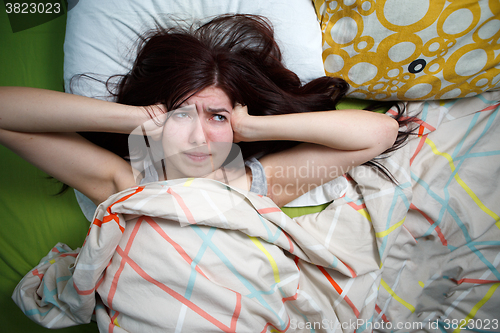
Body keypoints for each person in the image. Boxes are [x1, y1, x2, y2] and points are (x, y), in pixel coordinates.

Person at [0, 14, 404, 210]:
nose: (198, 136)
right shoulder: (126, 183)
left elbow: (380, 132)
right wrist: (133, 119)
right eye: (181, 115)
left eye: (217, 117)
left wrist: (253, 127)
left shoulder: (261, 186)